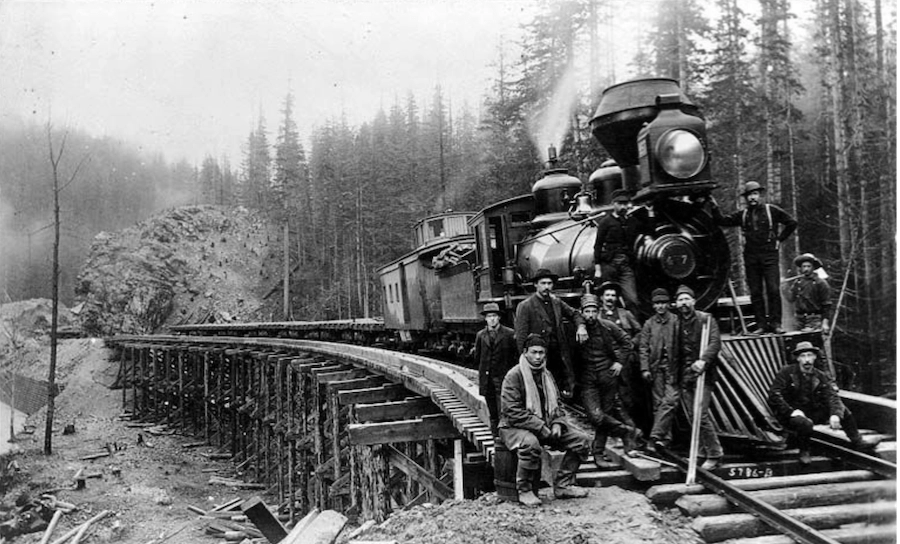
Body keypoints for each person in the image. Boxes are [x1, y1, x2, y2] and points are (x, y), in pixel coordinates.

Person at [499, 334, 591, 506]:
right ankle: (524, 489)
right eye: (534, 352)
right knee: (530, 444)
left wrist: (557, 423)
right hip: (512, 428)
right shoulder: (514, 376)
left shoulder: (546, 375)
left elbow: (559, 405)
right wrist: (541, 427)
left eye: (541, 353)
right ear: (525, 352)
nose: (537, 357)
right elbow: (512, 412)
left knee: (582, 441)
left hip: (545, 426)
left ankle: (563, 485)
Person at [648, 285, 724, 470]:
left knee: (701, 414)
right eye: (680, 300)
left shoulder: (705, 319)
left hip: (703, 375)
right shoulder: (677, 323)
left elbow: (715, 343)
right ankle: (699, 452)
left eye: (686, 299)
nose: (683, 303)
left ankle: (715, 453)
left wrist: (703, 361)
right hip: (685, 377)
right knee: (692, 415)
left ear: (693, 301)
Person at [713, 181, 797, 334]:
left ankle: (776, 324)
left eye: (755, 194)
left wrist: (779, 239)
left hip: (769, 255)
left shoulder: (772, 211)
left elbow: (792, 223)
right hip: (751, 257)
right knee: (756, 291)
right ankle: (761, 325)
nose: (752, 198)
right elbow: (723, 220)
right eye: (749, 195)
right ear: (746, 198)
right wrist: (713, 206)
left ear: (760, 195)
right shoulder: (743, 214)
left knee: (773, 289)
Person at [767, 341, 867, 464]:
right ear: (798, 358)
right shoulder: (787, 372)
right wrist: (790, 411)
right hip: (790, 415)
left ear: (814, 357)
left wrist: (835, 414)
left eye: (809, 355)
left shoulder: (820, 375)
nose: (807, 360)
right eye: (803, 356)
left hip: (811, 411)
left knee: (843, 410)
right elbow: (774, 395)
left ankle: (857, 441)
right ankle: (804, 450)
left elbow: (832, 396)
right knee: (805, 423)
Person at [576, 293, 642, 464]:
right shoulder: (576, 331)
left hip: (608, 377)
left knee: (605, 415)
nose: (590, 315)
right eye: (587, 311)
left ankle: (598, 454)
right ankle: (626, 431)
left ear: (598, 311)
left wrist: (620, 362)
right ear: (582, 312)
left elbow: (627, 342)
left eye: (593, 311)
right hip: (588, 379)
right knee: (596, 416)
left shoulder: (607, 326)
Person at [514, 268, 588, 399]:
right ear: (535, 284)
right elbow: (521, 337)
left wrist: (581, 327)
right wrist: (526, 361)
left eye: (549, 283)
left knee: (557, 388)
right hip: (539, 356)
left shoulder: (556, 302)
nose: (546, 287)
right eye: (543, 283)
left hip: (558, 354)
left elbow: (575, 314)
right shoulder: (526, 306)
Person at [596, 281, 646, 432]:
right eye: (607, 295)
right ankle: (618, 430)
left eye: (613, 295)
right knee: (608, 397)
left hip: (625, 361)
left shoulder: (625, 314)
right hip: (605, 361)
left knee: (626, 395)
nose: (610, 298)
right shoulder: (597, 315)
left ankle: (628, 428)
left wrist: (631, 343)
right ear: (602, 297)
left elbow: (640, 332)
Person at [593, 189, 648, 314]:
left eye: (625, 203)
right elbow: (597, 245)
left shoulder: (631, 221)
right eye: (620, 203)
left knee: (632, 300)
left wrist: (649, 212)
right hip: (608, 265)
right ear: (614, 204)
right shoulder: (605, 222)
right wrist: (598, 269)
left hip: (625, 266)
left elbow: (647, 229)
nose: (624, 206)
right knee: (609, 299)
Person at [475, 302, 518, 438]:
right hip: (488, 381)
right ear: (485, 319)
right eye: (489, 316)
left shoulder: (509, 334)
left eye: (494, 316)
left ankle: (507, 437)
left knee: (504, 411)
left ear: (499, 317)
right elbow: (478, 358)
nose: (492, 319)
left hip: (504, 379)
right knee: (493, 412)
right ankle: (496, 437)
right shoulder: (480, 336)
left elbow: (515, 358)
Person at [638, 288, 677, 418]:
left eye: (663, 303)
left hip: (673, 367)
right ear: (653, 306)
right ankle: (664, 438)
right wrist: (645, 368)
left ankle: (657, 434)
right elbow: (643, 347)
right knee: (658, 402)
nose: (660, 306)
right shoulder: (649, 324)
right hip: (656, 367)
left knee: (670, 401)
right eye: (657, 303)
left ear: (668, 304)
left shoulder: (676, 321)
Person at [783, 253, 832, 333]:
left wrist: (825, 323)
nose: (806, 269)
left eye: (809, 266)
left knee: (812, 342)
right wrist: (784, 287)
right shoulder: (798, 282)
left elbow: (826, 304)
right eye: (804, 266)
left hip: (814, 319)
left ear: (813, 268)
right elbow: (791, 298)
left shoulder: (820, 283)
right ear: (801, 268)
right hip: (798, 319)